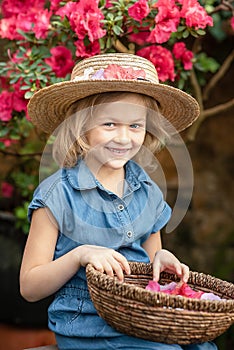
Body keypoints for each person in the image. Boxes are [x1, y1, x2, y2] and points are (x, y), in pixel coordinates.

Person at [20, 53, 217, 350]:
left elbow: (153, 257)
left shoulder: (147, 190)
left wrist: (162, 262)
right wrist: (79, 254)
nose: (124, 138)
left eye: (135, 126)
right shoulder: (57, 196)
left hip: (140, 313)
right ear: (81, 127)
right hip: (88, 323)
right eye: (109, 124)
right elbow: (30, 287)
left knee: (202, 346)